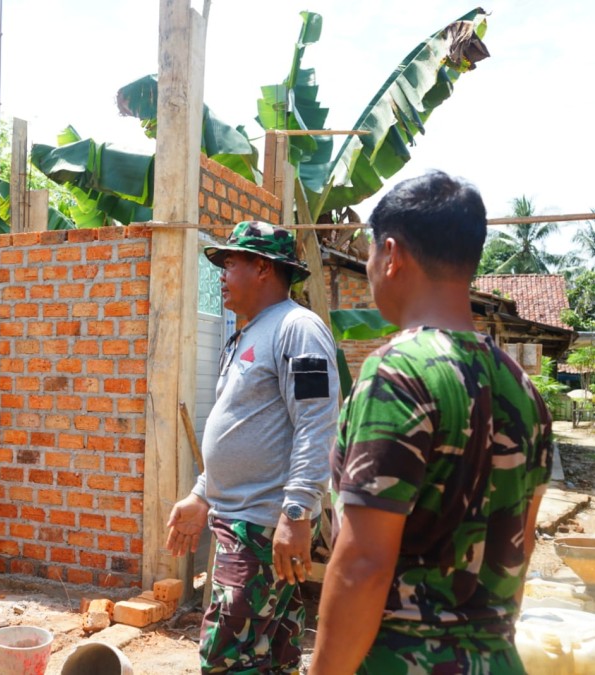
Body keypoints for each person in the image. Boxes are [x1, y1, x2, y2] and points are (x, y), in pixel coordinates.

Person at [310, 171, 553, 674]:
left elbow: (362, 566)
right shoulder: (523, 390)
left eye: (371, 254)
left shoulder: (396, 376)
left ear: (392, 254)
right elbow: (518, 547)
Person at [165, 222, 340, 673]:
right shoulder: (247, 333)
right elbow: (240, 425)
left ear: (263, 267)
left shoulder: (298, 328)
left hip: (263, 529)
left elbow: (317, 421)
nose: (222, 274)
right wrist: (203, 493)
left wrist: (298, 512)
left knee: (223, 658)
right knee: (270, 658)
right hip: (242, 525)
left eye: (231, 263)